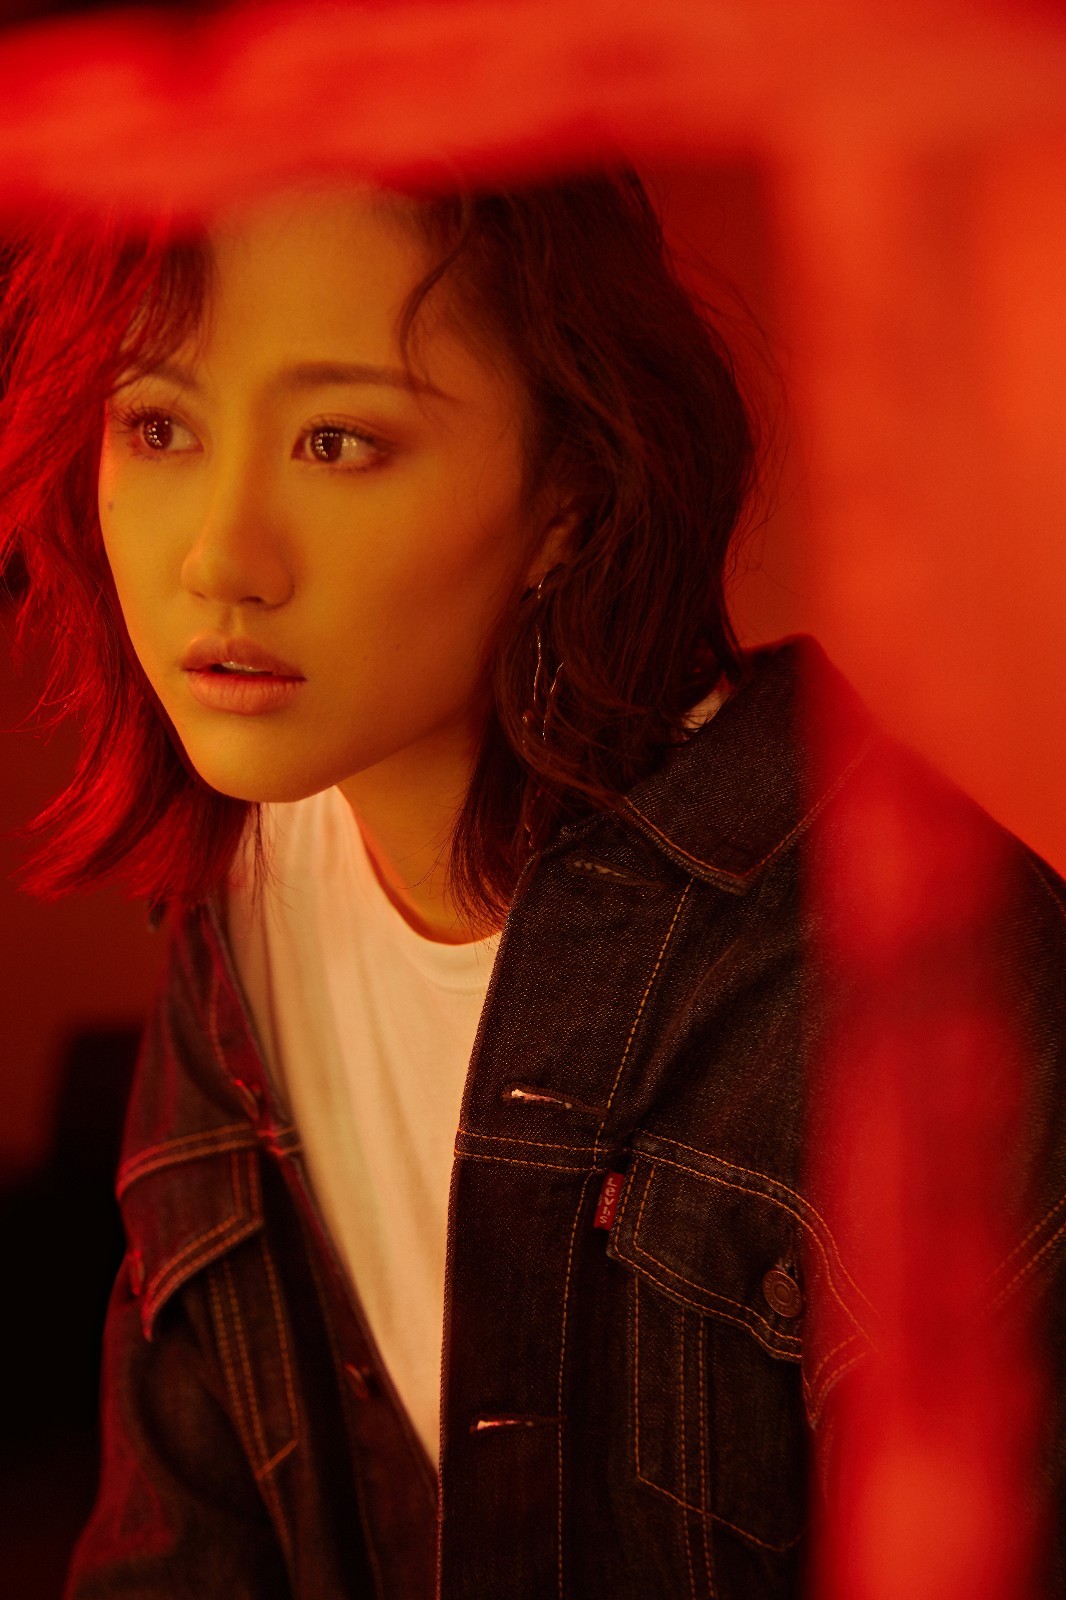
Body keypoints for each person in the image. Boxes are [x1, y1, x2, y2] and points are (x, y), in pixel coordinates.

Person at [0, 167, 1062, 1599]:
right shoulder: (246, 900)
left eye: (336, 441)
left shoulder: (904, 976)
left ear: (569, 493)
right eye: (158, 426)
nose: (219, 557)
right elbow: (178, 1548)